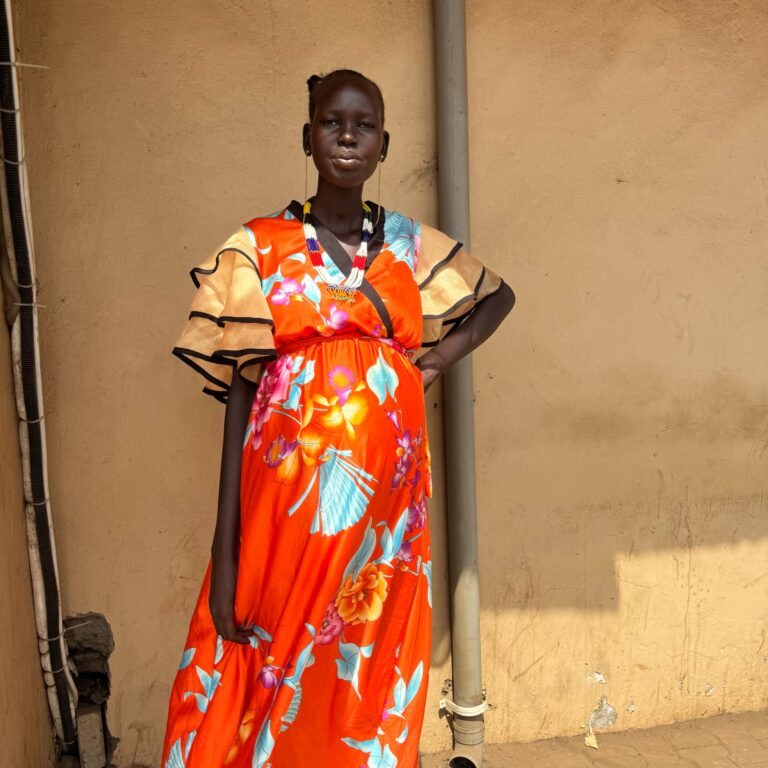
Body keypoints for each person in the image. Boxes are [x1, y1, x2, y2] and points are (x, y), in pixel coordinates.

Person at [160, 69, 514, 768]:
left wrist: (431, 364)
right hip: (287, 516)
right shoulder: (257, 248)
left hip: (389, 522)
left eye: (365, 124)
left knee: (371, 663)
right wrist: (224, 550)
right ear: (307, 137)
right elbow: (240, 398)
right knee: (270, 654)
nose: (348, 135)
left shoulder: (411, 247)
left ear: (385, 145)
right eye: (332, 121)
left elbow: (495, 300)